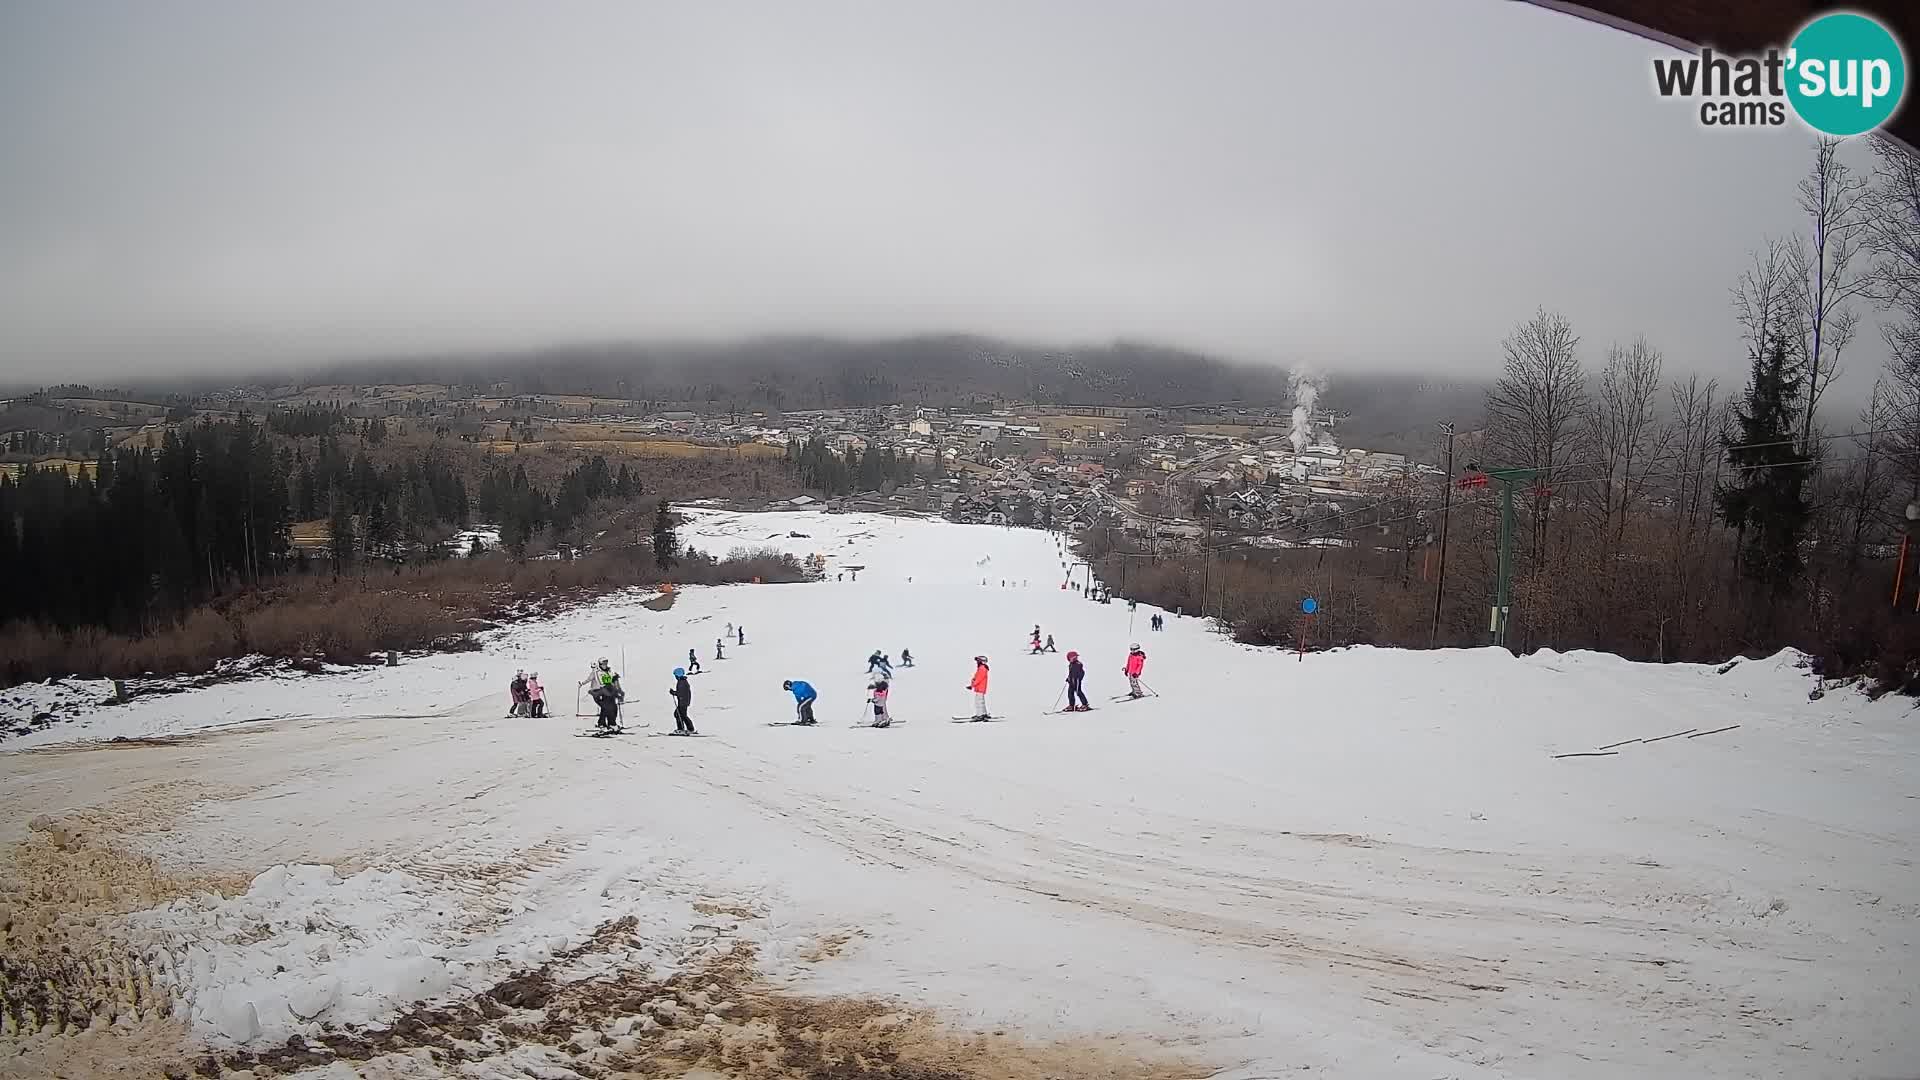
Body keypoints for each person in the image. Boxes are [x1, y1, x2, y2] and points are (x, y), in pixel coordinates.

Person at [582, 658, 624, 730]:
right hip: (599, 692)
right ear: (600, 664)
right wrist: (582, 683)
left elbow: (612, 679)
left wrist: (615, 681)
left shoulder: (609, 670)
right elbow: (600, 683)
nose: (605, 665)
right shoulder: (597, 672)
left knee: (612, 707)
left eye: (606, 663)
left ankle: (603, 723)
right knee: (607, 708)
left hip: (608, 691)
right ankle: (610, 723)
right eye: (603, 664)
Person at [668, 667, 696, 734]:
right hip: (683, 701)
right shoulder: (682, 681)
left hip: (683, 702)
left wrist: (673, 692)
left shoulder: (682, 682)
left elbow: (680, 693)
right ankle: (688, 729)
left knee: (680, 715)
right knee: (679, 714)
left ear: (678, 675)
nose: (675, 677)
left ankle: (684, 729)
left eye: (675, 675)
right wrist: (674, 692)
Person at [967, 655, 990, 720]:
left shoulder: (982, 669)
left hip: (980, 688)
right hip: (980, 687)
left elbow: (978, 679)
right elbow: (976, 678)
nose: (977, 662)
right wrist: (972, 684)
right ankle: (983, 714)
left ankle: (980, 715)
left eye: (978, 661)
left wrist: (972, 685)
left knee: (978, 702)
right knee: (981, 701)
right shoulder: (981, 668)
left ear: (982, 661)